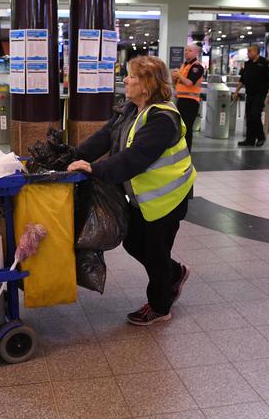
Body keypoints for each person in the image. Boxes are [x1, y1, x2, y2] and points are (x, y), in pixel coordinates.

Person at [68, 55, 195, 326]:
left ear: (147, 84)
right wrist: (72, 156)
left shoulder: (163, 118)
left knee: (155, 251)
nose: (125, 80)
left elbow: (135, 157)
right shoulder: (131, 109)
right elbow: (104, 137)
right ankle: (174, 273)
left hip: (168, 198)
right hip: (147, 198)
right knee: (134, 241)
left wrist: (94, 169)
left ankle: (160, 307)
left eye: (132, 76)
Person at [233, 45, 269, 147]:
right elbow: (242, 80)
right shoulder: (247, 64)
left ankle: (261, 137)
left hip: (260, 94)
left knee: (255, 115)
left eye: (250, 51)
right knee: (249, 117)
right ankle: (250, 139)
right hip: (250, 94)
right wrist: (236, 92)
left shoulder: (265, 63)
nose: (248, 53)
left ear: (257, 52)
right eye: (248, 51)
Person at [171, 44, 204, 152]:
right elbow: (178, 84)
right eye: (185, 50)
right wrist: (174, 78)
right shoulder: (184, 65)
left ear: (196, 53)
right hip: (181, 100)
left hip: (191, 102)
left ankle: (186, 150)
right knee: (181, 127)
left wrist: (179, 75)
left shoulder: (196, 67)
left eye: (189, 50)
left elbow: (189, 83)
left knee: (187, 128)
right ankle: (180, 148)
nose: (186, 52)